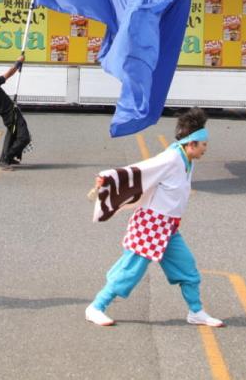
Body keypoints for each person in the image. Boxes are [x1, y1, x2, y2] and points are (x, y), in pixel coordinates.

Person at [84, 108, 223, 328]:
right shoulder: (171, 158)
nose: (206, 148)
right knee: (130, 270)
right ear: (191, 144)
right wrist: (108, 178)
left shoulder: (188, 159)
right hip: (150, 225)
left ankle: (196, 312)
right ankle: (96, 307)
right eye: (204, 144)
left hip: (168, 227)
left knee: (187, 268)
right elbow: (140, 170)